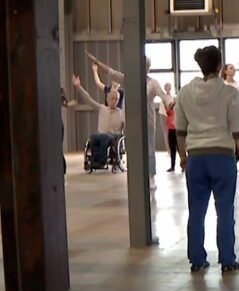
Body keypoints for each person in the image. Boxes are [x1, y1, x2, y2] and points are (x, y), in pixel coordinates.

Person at [174, 46, 239, 273]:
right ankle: (227, 260)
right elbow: (238, 129)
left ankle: (197, 259)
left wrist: (182, 156)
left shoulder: (185, 92)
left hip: (196, 158)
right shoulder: (229, 93)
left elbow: (180, 130)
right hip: (223, 157)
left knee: (196, 211)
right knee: (225, 210)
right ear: (219, 66)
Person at [86, 51, 173, 190]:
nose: (144, 68)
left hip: (148, 123)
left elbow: (163, 96)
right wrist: (97, 61)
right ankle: (136, 177)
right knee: (133, 151)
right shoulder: (129, 79)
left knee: (150, 150)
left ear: (148, 68)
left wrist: (170, 103)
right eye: (142, 65)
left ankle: (151, 177)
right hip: (131, 122)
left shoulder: (153, 83)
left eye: (147, 66)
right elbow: (111, 72)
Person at [72, 74, 124, 167]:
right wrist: (79, 87)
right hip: (101, 134)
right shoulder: (101, 108)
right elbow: (88, 99)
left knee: (104, 137)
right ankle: (94, 160)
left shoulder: (121, 113)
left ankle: (101, 161)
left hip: (114, 136)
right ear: (107, 100)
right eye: (113, 99)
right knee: (93, 137)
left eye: (117, 99)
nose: (115, 101)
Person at [164, 83, 179, 172]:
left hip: (177, 130)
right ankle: (172, 166)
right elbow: (167, 111)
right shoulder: (170, 110)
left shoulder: (178, 110)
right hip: (171, 130)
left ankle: (184, 165)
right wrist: (171, 104)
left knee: (180, 148)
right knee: (172, 149)